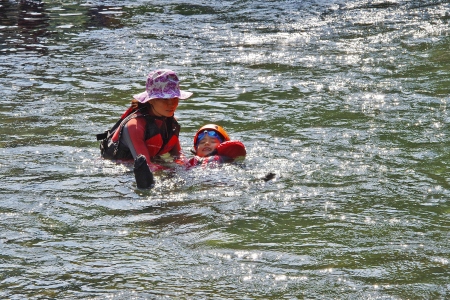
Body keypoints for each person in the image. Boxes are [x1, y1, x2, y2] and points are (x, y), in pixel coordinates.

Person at [97, 69, 192, 188]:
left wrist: (188, 165)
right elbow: (146, 165)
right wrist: (172, 170)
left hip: (152, 163)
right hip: (119, 170)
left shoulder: (171, 122)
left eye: (174, 98)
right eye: (164, 99)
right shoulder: (135, 126)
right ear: (151, 100)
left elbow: (178, 155)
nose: (171, 104)